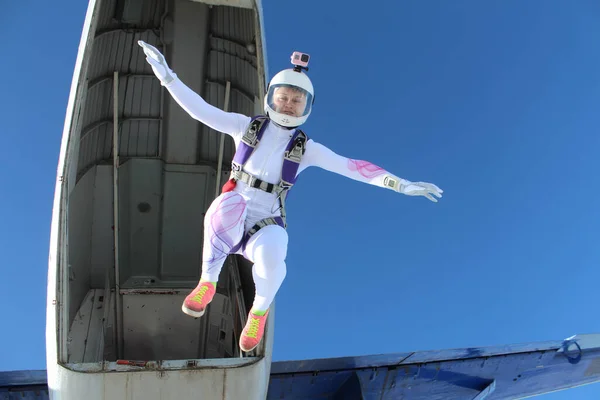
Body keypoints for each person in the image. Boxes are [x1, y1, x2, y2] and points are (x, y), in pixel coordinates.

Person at [138, 40, 443, 352]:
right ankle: (207, 282)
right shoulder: (245, 127)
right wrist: (167, 76)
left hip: (267, 221)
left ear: (306, 107)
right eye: (283, 97)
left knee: (273, 255)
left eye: (296, 101)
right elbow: (200, 110)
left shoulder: (305, 149)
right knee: (227, 205)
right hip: (234, 213)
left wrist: (400, 184)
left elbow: (351, 167)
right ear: (271, 97)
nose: (287, 104)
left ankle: (258, 312)